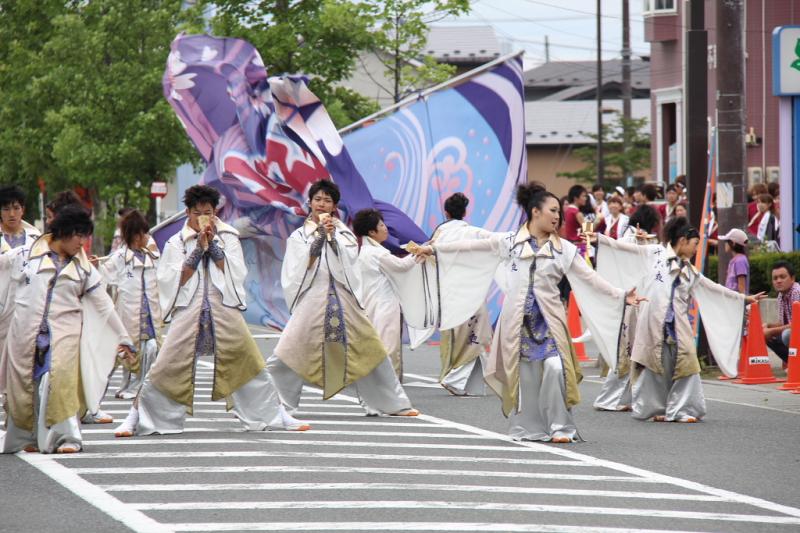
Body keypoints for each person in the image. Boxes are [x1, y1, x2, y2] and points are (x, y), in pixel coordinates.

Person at [404, 184, 640, 443]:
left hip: (550, 323)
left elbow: (590, 279)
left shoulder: (565, 250)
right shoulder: (509, 242)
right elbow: (469, 247)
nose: (557, 217)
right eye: (552, 210)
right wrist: (433, 250)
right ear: (535, 211)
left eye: (559, 212)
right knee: (525, 377)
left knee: (554, 368)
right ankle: (530, 429)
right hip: (517, 323)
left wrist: (620, 295)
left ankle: (561, 427)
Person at [114, 185, 308, 437]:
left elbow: (236, 272)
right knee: (166, 365)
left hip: (222, 306)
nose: (202, 217)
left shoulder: (228, 235)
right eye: (197, 213)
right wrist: (197, 250)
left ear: (215, 212)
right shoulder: (176, 242)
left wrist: (212, 245)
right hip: (190, 308)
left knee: (249, 361)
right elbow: (173, 279)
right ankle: (136, 415)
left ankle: (276, 414)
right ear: (187, 213)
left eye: (208, 212)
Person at [266, 180, 418, 417]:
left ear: (334, 206)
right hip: (312, 298)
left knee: (371, 349)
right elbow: (297, 268)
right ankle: (271, 404)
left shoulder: (345, 233)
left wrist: (332, 238)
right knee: (288, 351)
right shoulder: (299, 236)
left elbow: (348, 265)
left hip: (342, 297)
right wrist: (318, 240)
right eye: (318, 199)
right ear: (310, 202)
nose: (322, 204)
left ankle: (390, 403)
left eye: (327, 200)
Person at [590, 217, 763, 423]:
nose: (695, 249)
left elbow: (710, 288)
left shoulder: (689, 270)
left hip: (678, 326)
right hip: (653, 321)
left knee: (687, 366)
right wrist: (599, 240)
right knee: (655, 368)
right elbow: (628, 251)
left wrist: (743, 299)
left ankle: (684, 410)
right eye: (694, 244)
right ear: (682, 240)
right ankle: (656, 409)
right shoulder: (656, 253)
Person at [0, 205, 135, 453]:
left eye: (85, 237)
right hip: (25, 331)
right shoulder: (24, 255)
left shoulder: (83, 269)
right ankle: (27, 437)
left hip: (65, 331)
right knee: (23, 386)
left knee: (60, 377)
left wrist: (123, 336)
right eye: (79, 236)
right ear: (64, 232)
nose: (82, 243)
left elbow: (103, 304)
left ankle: (68, 437)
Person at [426, 193, 492, 396]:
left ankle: (477, 380)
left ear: (446, 212)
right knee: (475, 336)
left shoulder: (439, 235)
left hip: (448, 292)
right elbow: (494, 244)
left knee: (460, 338)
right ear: (465, 212)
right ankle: (455, 378)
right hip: (470, 291)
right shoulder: (472, 232)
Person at [95, 210, 162, 399]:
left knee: (150, 348)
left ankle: (137, 386)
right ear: (136, 234)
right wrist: (94, 267)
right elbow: (103, 276)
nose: (147, 237)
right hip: (129, 313)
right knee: (127, 352)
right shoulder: (119, 258)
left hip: (149, 314)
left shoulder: (151, 257)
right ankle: (125, 386)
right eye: (144, 233)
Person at [351, 208, 412, 381]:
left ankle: (377, 386)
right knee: (389, 346)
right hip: (385, 304)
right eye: (382, 225)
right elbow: (402, 267)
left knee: (375, 345)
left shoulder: (362, 252)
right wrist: (418, 253)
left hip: (369, 303)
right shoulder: (378, 253)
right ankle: (389, 388)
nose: (386, 228)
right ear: (372, 231)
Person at [764, 261, 800, 365]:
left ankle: (796, 363)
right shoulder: (781, 296)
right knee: (766, 335)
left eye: (782, 277)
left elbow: (796, 325)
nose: (778, 281)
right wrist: (768, 326)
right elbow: (784, 323)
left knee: (787, 334)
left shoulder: (797, 292)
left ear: (792, 278)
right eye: (775, 278)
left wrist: (771, 331)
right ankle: (790, 362)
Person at [0, 185, 40, 253]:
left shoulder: (36, 237)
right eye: (6, 209)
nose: (11, 214)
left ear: (23, 210)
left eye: (16, 208)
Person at [718, 228, 750, 294]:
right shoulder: (735, 260)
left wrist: (741, 302)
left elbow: (742, 287)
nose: (725, 244)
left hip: (736, 302)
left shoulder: (740, 261)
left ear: (733, 243)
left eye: (726, 241)